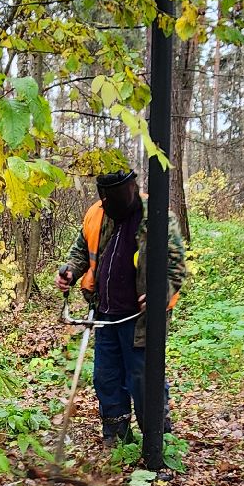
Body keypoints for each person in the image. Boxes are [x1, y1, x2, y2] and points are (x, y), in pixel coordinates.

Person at [55, 170, 186, 447]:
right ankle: (116, 437)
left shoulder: (158, 217)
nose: (108, 201)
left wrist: (158, 295)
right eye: (104, 195)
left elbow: (174, 267)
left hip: (141, 318)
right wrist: (70, 271)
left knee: (143, 377)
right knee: (107, 377)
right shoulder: (96, 215)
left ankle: (156, 439)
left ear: (131, 187)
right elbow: (81, 250)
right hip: (105, 313)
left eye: (115, 194)